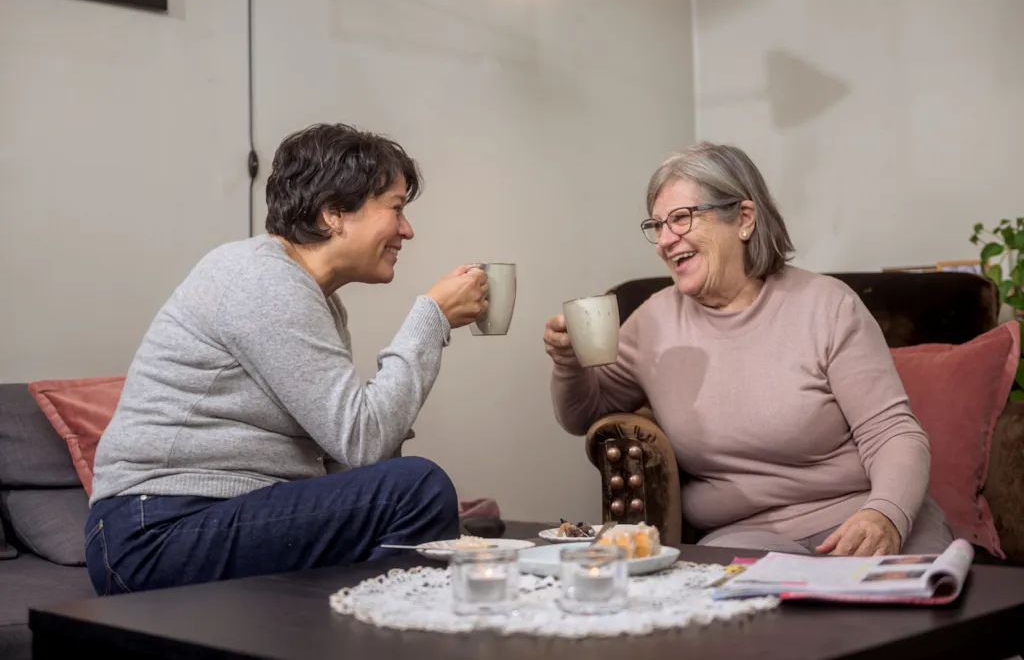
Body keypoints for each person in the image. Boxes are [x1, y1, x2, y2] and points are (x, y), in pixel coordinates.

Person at [85, 123, 489, 596]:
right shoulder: (262, 279)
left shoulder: (315, 297)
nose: (407, 230)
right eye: (396, 209)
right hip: (151, 531)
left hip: (199, 519)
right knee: (418, 485)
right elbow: (362, 438)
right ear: (334, 213)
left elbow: (347, 456)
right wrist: (432, 317)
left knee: (418, 498)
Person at [544, 142, 952, 557]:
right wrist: (568, 364)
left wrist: (885, 514)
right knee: (743, 613)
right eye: (657, 225)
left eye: (681, 219)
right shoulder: (654, 322)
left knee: (908, 605)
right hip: (747, 534)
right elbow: (583, 416)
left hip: (858, 516)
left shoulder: (827, 305)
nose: (665, 240)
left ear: (743, 219)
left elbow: (892, 433)